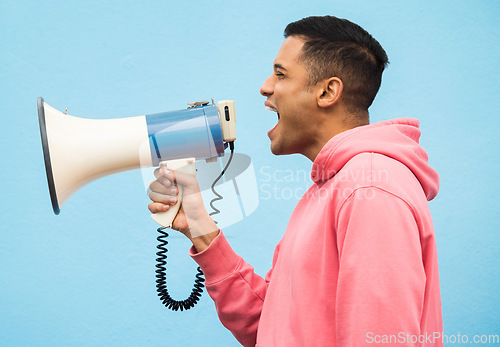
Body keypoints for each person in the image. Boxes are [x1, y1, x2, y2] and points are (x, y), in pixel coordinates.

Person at [148, 15, 443, 347]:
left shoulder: (369, 190)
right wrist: (199, 225)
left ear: (327, 91)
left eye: (280, 74)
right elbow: (270, 326)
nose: (265, 86)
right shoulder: (335, 189)